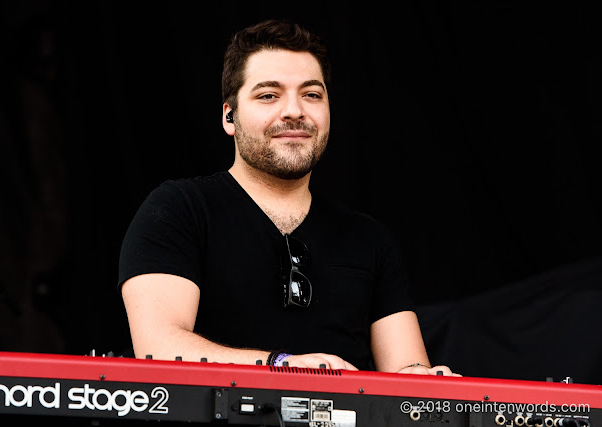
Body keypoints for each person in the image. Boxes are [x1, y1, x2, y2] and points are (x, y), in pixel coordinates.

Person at [118, 19, 457, 376]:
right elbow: (158, 348)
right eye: (269, 95)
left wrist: (426, 378)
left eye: (311, 94)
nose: (295, 111)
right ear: (229, 116)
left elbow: (406, 372)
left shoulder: (370, 240)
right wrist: (282, 367)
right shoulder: (178, 210)